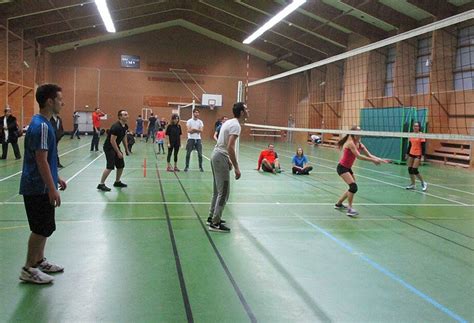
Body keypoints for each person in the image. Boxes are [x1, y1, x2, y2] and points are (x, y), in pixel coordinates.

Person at [19, 83, 67, 284]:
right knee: (40, 228)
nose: (62, 103)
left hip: (43, 184)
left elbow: (46, 160)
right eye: (59, 99)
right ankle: (28, 268)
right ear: (50, 101)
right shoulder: (43, 126)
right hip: (38, 187)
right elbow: (41, 160)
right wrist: (51, 189)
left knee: (46, 226)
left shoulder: (42, 123)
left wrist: (56, 178)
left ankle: (39, 260)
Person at [208, 102, 249, 233]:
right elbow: (230, 146)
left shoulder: (229, 122)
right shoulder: (236, 125)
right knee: (224, 192)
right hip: (220, 157)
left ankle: (212, 217)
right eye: (246, 109)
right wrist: (237, 167)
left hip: (217, 155)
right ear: (242, 112)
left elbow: (224, 143)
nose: (248, 111)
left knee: (217, 191)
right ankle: (215, 223)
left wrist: (228, 160)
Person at [335, 126, 388, 217]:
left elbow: (370, 155)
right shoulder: (350, 143)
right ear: (354, 133)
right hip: (342, 168)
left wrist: (380, 159)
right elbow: (359, 156)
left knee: (352, 188)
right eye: (359, 131)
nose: (361, 133)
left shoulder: (359, 143)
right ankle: (350, 209)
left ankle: (339, 204)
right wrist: (373, 161)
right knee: (353, 187)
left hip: (348, 168)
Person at [97, 110, 130, 192]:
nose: (127, 116)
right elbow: (112, 141)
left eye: (127, 114)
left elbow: (124, 137)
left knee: (121, 165)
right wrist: (118, 152)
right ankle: (101, 184)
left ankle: (117, 182)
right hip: (109, 147)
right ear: (120, 117)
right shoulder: (116, 127)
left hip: (115, 146)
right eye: (125, 115)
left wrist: (126, 149)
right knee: (110, 166)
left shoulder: (125, 126)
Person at [406, 122, 428, 191]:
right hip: (411, 153)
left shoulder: (421, 135)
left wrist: (423, 156)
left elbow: (423, 146)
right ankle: (413, 184)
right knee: (409, 169)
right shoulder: (411, 135)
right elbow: (410, 145)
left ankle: (423, 183)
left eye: (417, 126)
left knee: (414, 170)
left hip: (418, 154)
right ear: (413, 127)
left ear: (419, 127)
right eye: (414, 126)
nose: (415, 127)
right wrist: (407, 154)